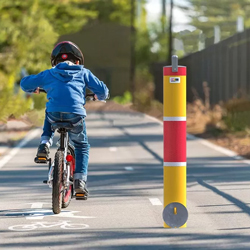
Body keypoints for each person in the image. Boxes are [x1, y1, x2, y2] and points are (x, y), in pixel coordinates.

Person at [20, 41, 109, 197]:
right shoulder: (83, 72)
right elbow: (103, 91)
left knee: (50, 111)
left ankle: (44, 144)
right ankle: (80, 182)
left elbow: (24, 83)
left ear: (56, 62)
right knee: (82, 146)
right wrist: (98, 96)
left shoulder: (49, 73)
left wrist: (33, 88)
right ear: (77, 61)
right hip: (75, 116)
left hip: (54, 115)